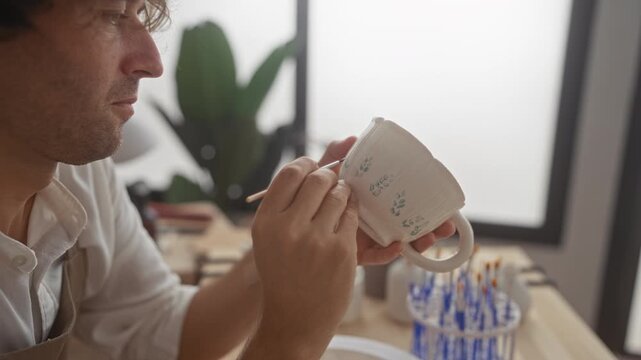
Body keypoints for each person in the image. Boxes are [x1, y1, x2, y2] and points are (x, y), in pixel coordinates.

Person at [0, 0, 455, 359]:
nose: (152, 62)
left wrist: (284, 253)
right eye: (111, 15)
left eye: (140, 14)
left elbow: (160, 332)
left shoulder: (79, 173)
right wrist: (291, 339)